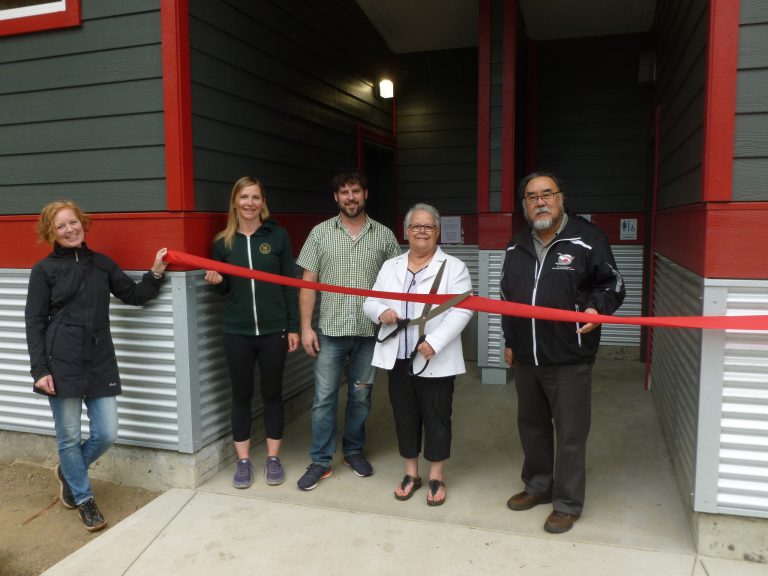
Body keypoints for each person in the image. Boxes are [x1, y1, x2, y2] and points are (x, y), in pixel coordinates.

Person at [24, 200, 168, 532]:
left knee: (107, 433)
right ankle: (84, 499)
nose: (69, 229)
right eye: (61, 226)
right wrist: (40, 370)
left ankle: (68, 472)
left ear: (83, 224)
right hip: (61, 362)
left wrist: (156, 271)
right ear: (51, 232)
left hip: (99, 358)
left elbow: (133, 294)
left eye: (73, 222)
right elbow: (34, 323)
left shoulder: (101, 264)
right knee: (69, 435)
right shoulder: (44, 271)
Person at [501, 171, 625, 534]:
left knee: (570, 434)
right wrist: (510, 341)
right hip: (527, 357)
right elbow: (508, 297)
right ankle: (538, 486)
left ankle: (568, 503)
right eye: (531, 196)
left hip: (570, 357)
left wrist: (596, 308)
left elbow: (613, 284)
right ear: (524, 204)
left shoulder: (588, 239)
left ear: (561, 198)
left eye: (546, 194)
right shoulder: (516, 244)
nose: (539, 201)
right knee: (532, 427)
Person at [295, 169, 401, 491]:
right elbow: (307, 284)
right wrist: (306, 327)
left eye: (356, 191)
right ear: (336, 198)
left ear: (365, 194)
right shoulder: (319, 234)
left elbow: (398, 285)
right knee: (324, 398)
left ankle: (353, 451)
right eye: (344, 192)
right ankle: (321, 460)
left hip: (370, 335)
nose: (351, 197)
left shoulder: (384, 236)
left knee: (361, 397)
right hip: (329, 331)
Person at [363, 204, 473, 506]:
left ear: (437, 232)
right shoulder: (391, 266)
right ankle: (411, 473)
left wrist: (435, 342)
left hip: (434, 358)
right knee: (405, 415)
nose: (421, 231)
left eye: (428, 226)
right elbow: (370, 301)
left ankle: (437, 475)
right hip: (397, 355)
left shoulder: (454, 267)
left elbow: (463, 308)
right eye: (416, 226)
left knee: (437, 417)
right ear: (406, 232)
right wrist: (381, 311)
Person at [204, 176, 299, 488]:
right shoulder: (222, 243)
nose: (249, 203)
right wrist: (218, 284)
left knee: (272, 394)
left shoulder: (279, 236)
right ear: (235, 201)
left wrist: (293, 326)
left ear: (263, 202)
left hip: (273, 330)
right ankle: (243, 462)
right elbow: (226, 290)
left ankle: (273, 458)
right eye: (244, 197)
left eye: (255, 197)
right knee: (241, 396)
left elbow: (290, 284)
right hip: (237, 331)